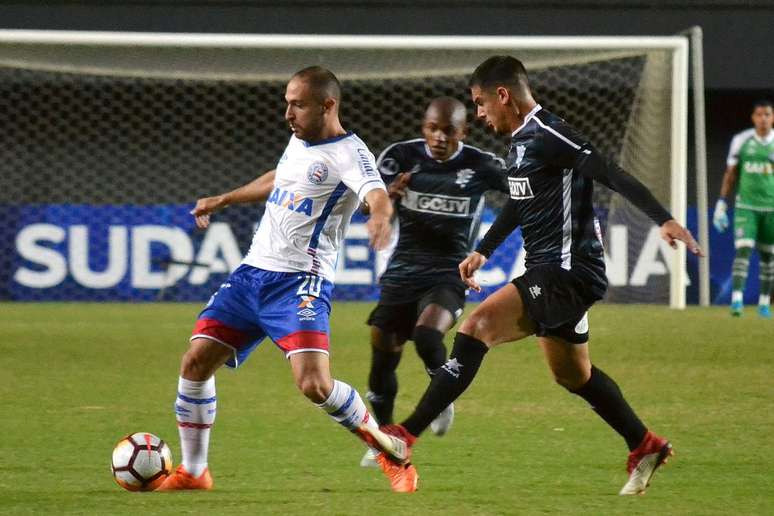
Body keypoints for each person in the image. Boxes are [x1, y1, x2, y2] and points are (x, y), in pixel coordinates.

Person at [358, 55, 704, 496]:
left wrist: (664, 218)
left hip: (567, 270)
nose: (480, 115)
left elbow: (609, 171)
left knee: (477, 327)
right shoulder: (518, 144)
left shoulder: (549, 133)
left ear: (504, 95)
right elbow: (522, 205)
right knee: (573, 375)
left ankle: (404, 437)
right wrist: (483, 249)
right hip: (550, 269)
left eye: (481, 104)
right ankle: (645, 444)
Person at [157, 66, 405, 492]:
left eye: (297, 104)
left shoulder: (350, 153)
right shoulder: (300, 139)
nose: (288, 112)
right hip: (252, 274)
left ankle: (387, 449)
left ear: (328, 105)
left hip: (300, 283)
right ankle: (194, 472)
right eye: (287, 102)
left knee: (315, 384)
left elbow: (376, 194)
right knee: (195, 362)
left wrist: (380, 218)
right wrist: (225, 199)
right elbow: (281, 179)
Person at [360, 97, 508, 468]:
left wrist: (485, 249)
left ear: (463, 131)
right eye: (432, 129)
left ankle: (441, 398)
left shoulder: (483, 165)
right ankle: (383, 436)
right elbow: (368, 202)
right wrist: (384, 201)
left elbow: (524, 196)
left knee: (428, 335)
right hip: (403, 268)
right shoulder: (399, 157)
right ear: (423, 127)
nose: (439, 137)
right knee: (382, 358)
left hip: (449, 269)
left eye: (449, 130)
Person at [712, 100, 774, 318]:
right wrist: (721, 203)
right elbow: (731, 173)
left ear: (772, 117)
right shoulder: (741, 140)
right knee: (743, 249)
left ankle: (764, 304)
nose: (763, 119)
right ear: (753, 118)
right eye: (759, 114)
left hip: (771, 209)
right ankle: (737, 301)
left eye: (767, 114)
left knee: (768, 257)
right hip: (746, 207)